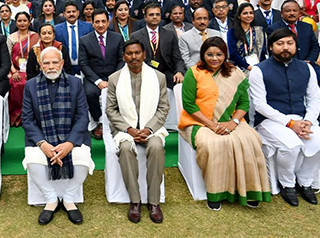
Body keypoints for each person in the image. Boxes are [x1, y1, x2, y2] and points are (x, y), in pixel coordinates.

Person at [179, 37, 271, 210]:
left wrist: (233, 122)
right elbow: (189, 105)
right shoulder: (194, 73)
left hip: (231, 120)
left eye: (219, 54)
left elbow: (244, 104)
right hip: (199, 122)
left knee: (251, 140)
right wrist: (212, 125)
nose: (214, 58)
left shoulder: (235, 73)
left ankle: (249, 190)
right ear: (203, 55)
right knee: (212, 144)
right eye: (210, 54)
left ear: (225, 55)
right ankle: (216, 192)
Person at [22, 46, 93, 225]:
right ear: (40, 65)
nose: (51, 66)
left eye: (55, 62)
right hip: (42, 139)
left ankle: (69, 199)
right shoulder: (30, 85)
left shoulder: (76, 83)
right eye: (47, 63)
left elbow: (83, 116)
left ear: (62, 63)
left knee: (83, 157)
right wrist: (43, 144)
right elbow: (27, 119)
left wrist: (69, 143)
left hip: (71, 137)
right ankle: (51, 199)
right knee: (32, 159)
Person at [250, 28, 320, 207]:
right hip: (270, 121)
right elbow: (260, 104)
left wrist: (308, 121)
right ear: (271, 47)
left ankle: (305, 182)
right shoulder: (259, 70)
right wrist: (290, 123)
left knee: (317, 141)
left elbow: (314, 98)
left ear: (296, 46)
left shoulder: (307, 68)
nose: (285, 48)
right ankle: (287, 184)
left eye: (289, 43)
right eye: (280, 44)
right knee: (291, 145)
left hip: (301, 118)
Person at [106, 39, 169, 223]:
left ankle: (154, 202)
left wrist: (148, 129)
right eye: (129, 53)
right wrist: (129, 129)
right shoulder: (115, 78)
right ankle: (135, 201)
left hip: (152, 129)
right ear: (124, 56)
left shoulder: (158, 77)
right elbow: (111, 110)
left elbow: (163, 108)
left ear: (144, 54)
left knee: (156, 147)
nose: (134, 57)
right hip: (126, 129)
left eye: (137, 53)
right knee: (125, 149)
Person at [79, 9, 124, 139]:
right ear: (92, 23)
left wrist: (113, 79)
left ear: (108, 22)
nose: (100, 25)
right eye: (97, 22)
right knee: (90, 93)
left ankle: (119, 122)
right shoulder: (85, 40)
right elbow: (84, 64)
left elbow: (121, 60)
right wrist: (98, 82)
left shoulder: (117, 38)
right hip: (94, 78)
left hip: (114, 76)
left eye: (103, 21)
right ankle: (99, 122)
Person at [130, 3, 186, 89]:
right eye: (151, 15)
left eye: (157, 14)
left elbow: (177, 58)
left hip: (166, 72)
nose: (155, 17)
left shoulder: (170, 34)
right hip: (143, 72)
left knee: (180, 83)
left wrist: (179, 72)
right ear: (145, 17)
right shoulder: (136, 36)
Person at [7, 12, 39, 127]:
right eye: (19, 21)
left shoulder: (36, 36)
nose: (22, 23)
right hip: (16, 69)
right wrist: (14, 72)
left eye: (25, 20)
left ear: (29, 22)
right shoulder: (11, 38)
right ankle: (17, 116)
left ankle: (33, 115)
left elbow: (39, 56)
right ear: (16, 22)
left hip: (33, 70)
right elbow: (8, 57)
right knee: (15, 83)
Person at [54, 1, 94, 75]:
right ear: (64, 14)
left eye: (73, 11)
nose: (71, 14)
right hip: (65, 67)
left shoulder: (88, 27)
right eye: (68, 12)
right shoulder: (57, 29)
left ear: (78, 13)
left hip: (85, 66)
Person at [227, 3, 267, 72]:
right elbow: (233, 54)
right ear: (239, 16)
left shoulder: (259, 31)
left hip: (258, 68)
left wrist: (261, 68)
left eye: (251, 13)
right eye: (245, 13)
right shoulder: (232, 32)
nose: (249, 15)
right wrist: (247, 67)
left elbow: (263, 52)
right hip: (239, 69)